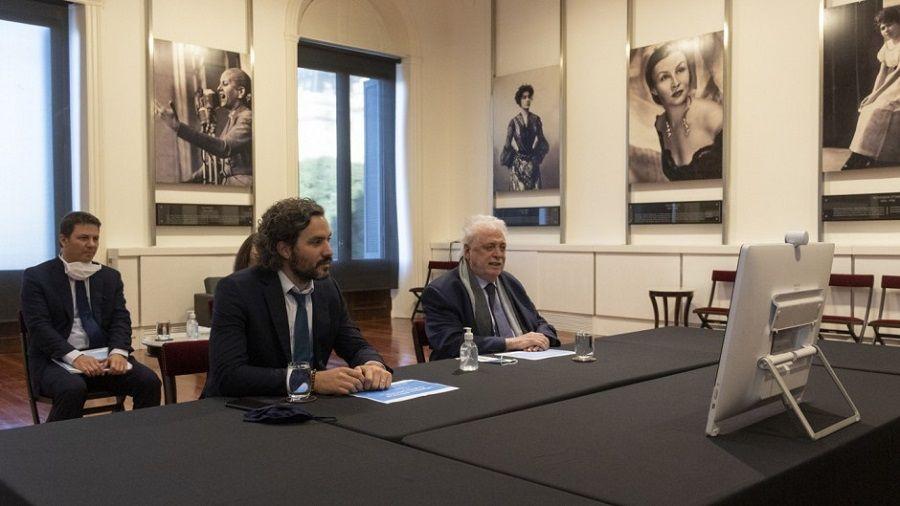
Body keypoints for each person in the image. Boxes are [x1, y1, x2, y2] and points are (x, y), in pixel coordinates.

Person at [204, 198, 392, 398]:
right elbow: (229, 375)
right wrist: (310, 380)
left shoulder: (326, 288)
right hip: (242, 406)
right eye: (316, 242)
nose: (329, 251)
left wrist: (372, 364)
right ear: (285, 249)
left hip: (307, 405)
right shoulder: (237, 290)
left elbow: (355, 344)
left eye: (328, 239)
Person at [20, 212, 161, 422]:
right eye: (84, 238)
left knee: (149, 381)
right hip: (55, 360)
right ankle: (56, 440)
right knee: (72, 389)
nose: (92, 244)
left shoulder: (109, 276)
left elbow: (120, 319)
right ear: (63, 240)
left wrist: (118, 352)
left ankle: (140, 434)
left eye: (95, 238)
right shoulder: (37, 277)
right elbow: (39, 327)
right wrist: (76, 357)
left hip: (102, 358)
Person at [421, 215, 560, 361]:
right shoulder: (442, 292)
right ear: (468, 252)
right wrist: (511, 343)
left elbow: (539, 322)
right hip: (469, 368)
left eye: (502, 248)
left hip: (522, 361)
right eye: (489, 247)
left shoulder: (510, 283)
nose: (498, 255)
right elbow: (450, 343)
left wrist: (542, 338)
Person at [154, 67, 252, 186]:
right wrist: (186, 183)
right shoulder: (232, 119)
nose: (218, 88)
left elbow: (224, 148)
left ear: (240, 92)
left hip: (243, 186)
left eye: (225, 84)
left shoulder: (247, 117)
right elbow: (215, 163)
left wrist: (179, 128)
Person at [645, 42, 724, 181]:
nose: (675, 83)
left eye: (680, 70)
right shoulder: (660, 125)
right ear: (654, 89)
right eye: (664, 77)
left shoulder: (714, 116)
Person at [842, 7, 900, 170]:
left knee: (880, 108)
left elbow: (897, 73)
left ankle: (866, 156)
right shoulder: (887, 46)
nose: (886, 30)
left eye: (890, 24)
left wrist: (877, 95)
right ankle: (859, 154)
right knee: (868, 108)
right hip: (890, 85)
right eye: (882, 27)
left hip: (897, 84)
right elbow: (882, 73)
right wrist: (872, 95)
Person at [500, 84, 550, 191]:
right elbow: (507, 144)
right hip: (518, 167)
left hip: (533, 164)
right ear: (519, 100)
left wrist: (535, 155)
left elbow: (542, 141)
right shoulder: (513, 122)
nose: (527, 100)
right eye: (524, 97)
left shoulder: (536, 120)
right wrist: (515, 158)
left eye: (529, 97)